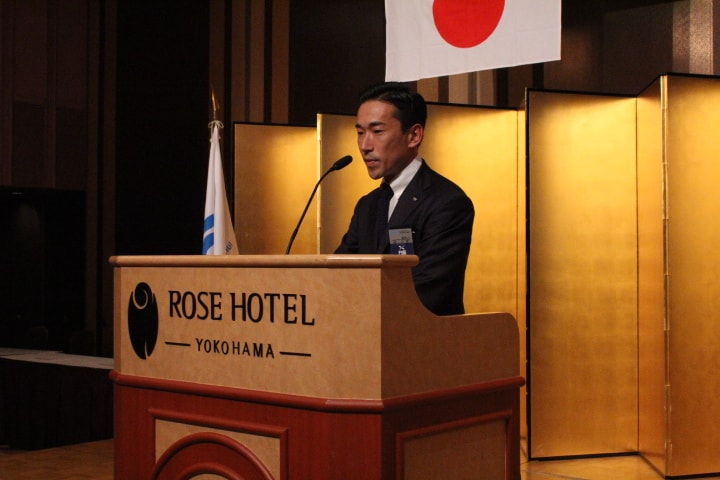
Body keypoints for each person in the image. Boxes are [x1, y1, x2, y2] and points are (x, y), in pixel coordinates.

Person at [334, 82, 474, 315]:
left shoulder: (447, 202)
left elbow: (430, 291)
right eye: (360, 133)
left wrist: (360, 308)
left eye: (377, 131)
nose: (365, 146)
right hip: (366, 331)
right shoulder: (368, 205)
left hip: (422, 333)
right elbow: (339, 273)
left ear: (414, 136)